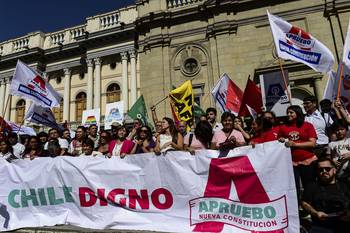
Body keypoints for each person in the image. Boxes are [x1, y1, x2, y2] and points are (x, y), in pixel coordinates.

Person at [278, 105, 317, 201]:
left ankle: (310, 206)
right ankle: (298, 208)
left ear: (298, 113)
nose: (288, 114)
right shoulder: (282, 127)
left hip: (308, 161)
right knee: (294, 187)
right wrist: (280, 140)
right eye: (287, 112)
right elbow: (279, 144)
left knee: (309, 186)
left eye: (291, 112)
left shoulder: (308, 125)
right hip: (291, 163)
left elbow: (312, 144)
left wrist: (295, 144)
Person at [302, 158, 350, 233]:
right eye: (320, 170)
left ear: (334, 170)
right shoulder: (312, 186)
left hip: (345, 222)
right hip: (322, 225)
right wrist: (315, 213)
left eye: (327, 169)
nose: (324, 171)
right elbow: (305, 203)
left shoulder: (345, 185)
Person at [327, 119, 350, 184]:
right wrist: (332, 160)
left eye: (342, 129)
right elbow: (328, 157)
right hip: (339, 173)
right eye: (337, 130)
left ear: (346, 130)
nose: (339, 132)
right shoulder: (331, 144)